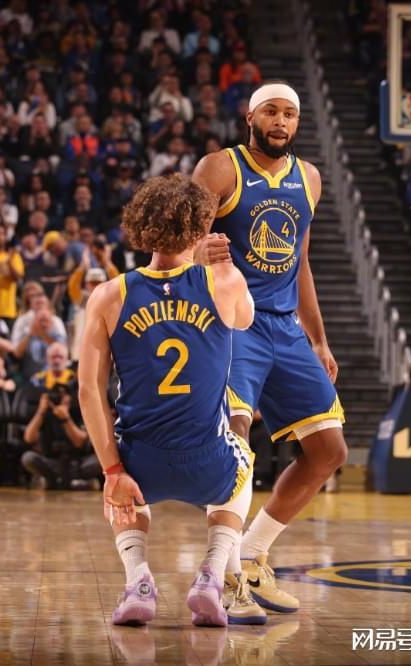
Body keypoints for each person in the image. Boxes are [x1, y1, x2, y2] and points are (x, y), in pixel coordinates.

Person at [78, 174, 264, 628]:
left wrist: (113, 471)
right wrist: (216, 263)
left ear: (140, 226)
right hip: (208, 460)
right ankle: (212, 575)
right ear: (200, 228)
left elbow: (89, 391)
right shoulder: (223, 282)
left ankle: (138, 580)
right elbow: (246, 320)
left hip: (141, 463)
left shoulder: (109, 295)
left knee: (119, 484)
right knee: (244, 460)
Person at [191, 81, 346, 613]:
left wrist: (318, 338)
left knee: (329, 451)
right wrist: (200, 254)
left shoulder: (310, 179)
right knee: (235, 445)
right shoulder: (220, 168)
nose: (281, 122)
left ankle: (253, 555)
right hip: (231, 321)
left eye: (290, 114)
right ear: (251, 117)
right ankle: (223, 576)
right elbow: (181, 243)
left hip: (285, 327)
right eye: (271, 112)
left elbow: (300, 264)